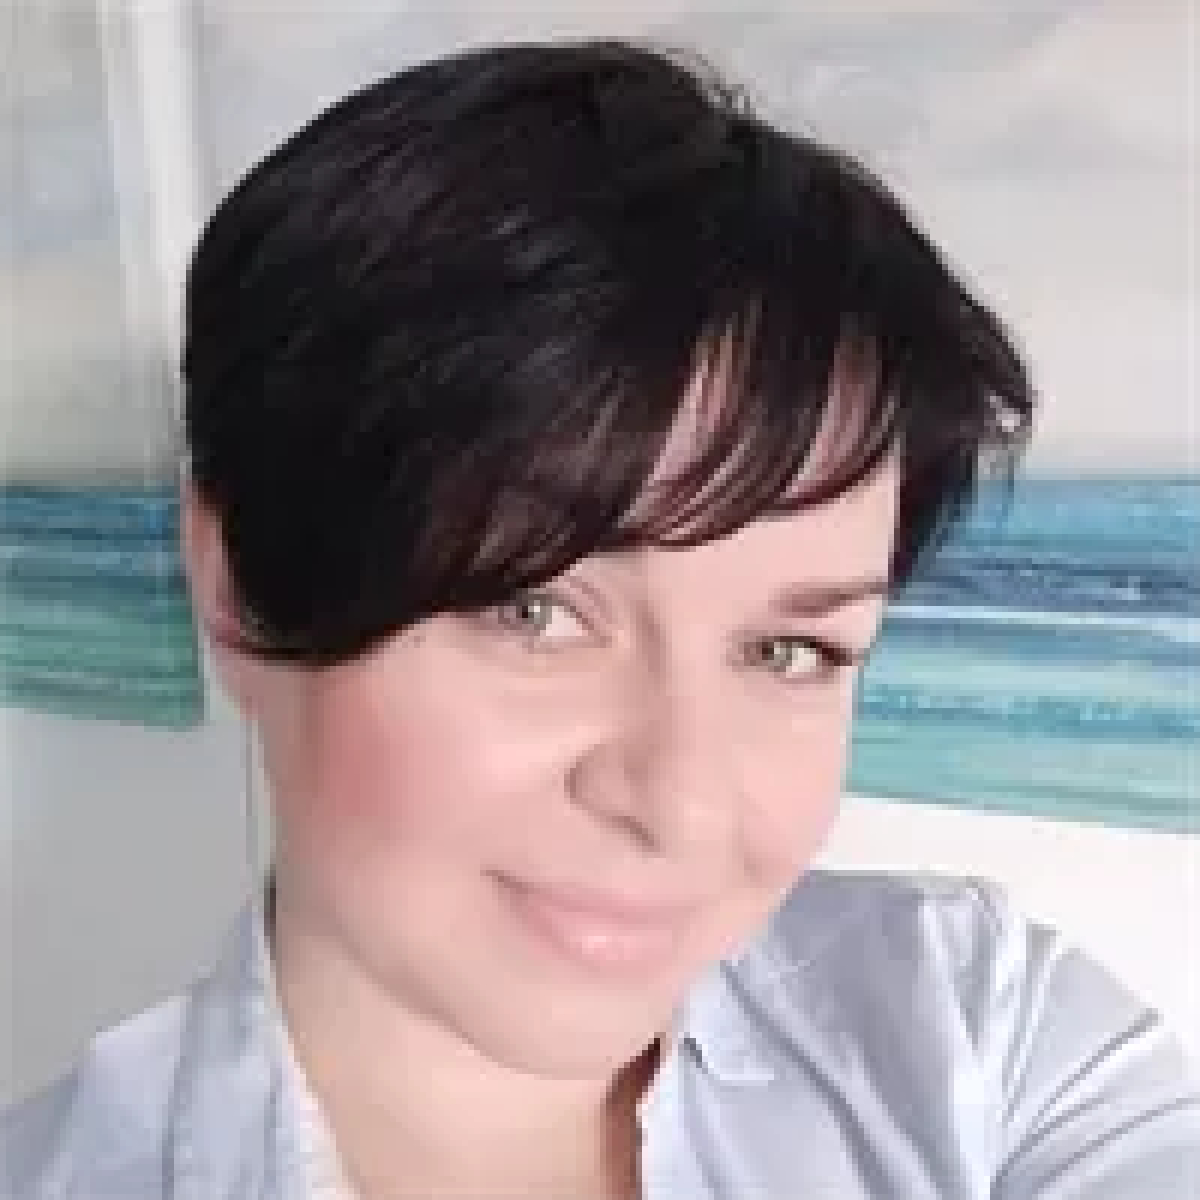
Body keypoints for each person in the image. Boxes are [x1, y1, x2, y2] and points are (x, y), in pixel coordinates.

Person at [3, 38, 1196, 1200]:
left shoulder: (983, 1040)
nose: (680, 802)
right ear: (235, 576)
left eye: (789, 650)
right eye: (533, 607)